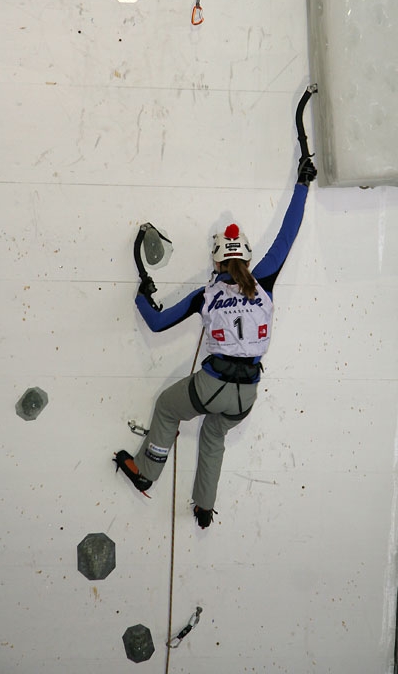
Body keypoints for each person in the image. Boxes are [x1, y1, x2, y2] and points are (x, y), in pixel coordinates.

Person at [114, 155, 317, 528]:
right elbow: (288, 233)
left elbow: (157, 323)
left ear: (217, 259)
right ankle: (204, 508)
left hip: (212, 386)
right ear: (246, 255)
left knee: (167, 407)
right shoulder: (263, 281)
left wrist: (142, 296)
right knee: (214, 436)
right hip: (246, 396)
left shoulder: (205, 295)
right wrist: (303, 183)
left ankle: (145, 472)